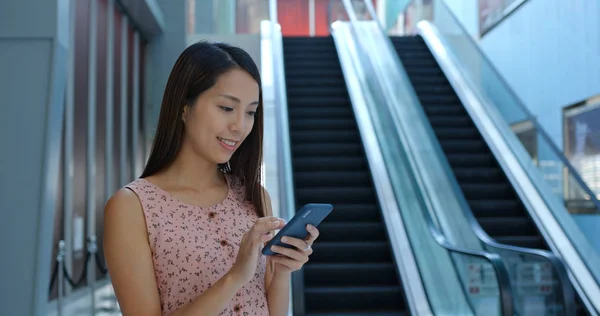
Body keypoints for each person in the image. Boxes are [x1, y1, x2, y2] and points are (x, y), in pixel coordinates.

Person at [103, 41, 320, 316]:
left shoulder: (254, 197)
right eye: (227, 108)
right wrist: (235, 277)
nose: (240, 126)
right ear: (184, 106)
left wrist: (281, 270)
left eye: (251, 112)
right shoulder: (132, 207)